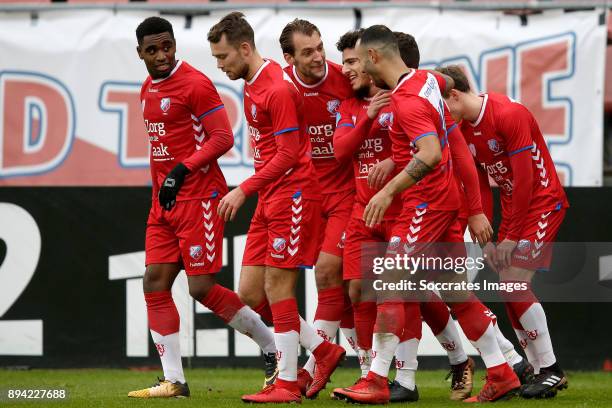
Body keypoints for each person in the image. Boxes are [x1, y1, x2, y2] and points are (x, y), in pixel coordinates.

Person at [336, 25, 520, 404]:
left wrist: (388, 190)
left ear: (374, 58)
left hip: (425, 205)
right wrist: (395, 159)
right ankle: (502, 372)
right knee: (456, 292)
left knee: (388, 284)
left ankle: (375, 379)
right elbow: (445, 81)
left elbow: (431, 152)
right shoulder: (425, 80)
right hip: (442, 201)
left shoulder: (407, 101)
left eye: (357, 59)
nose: (351, 68)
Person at [129, 16, 277, 399]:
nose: (162, 56)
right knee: (154, 283)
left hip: (199, 198)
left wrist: (182, 170)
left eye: (168, 46)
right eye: (153, 50)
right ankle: (174, 380)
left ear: (175, 44)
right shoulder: (147, 88)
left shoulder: (195, 83)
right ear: (140, 53)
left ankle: (273, 347)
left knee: (201, 288)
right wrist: (162, 185)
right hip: (164, 204)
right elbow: (159, 150)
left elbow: (222, 136)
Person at [207, 12, 345, 403]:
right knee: (251, 292)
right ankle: (322, 349)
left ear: (245, 48)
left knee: (279, 287)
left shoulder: (277, 89)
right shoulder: (253, 84)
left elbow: (287, 154)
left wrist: (243, 190)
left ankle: (286, 383)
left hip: (295, 194)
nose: (220, 65)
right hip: (272, 196)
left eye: (223, 56)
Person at [394, 30, 536, 390]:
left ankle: (391, 378)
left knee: (398, 285)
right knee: (439, 292)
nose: (353, 67)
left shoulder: (421, 99)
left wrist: (475, 213)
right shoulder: (420, 92)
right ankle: (506, 364)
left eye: (358, 59)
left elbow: (463, 160)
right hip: (429, 208)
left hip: (436, 209)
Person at [437, 64, 569, 399]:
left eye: (442, 107)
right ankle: (539, 370)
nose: (442, 117)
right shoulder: (465, 130)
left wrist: (510, 236)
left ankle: (550, 369)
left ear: (453, 95)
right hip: (514, 208)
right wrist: (487, 231)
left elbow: (525, 179)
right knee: (510, 285)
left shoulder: (509, 114)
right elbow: (478, 181)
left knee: (513, 282)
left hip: (542, 201)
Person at [278, 18, 358, 397]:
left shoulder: (347, 78)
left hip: (346, 193)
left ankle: (311, 367)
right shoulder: (281, 87)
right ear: (288, 57)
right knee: (332, 286)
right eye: (307, 52)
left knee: (329, 274)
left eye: (319, 47)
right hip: (304, 195)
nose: (318, 57)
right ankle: (319, 363)